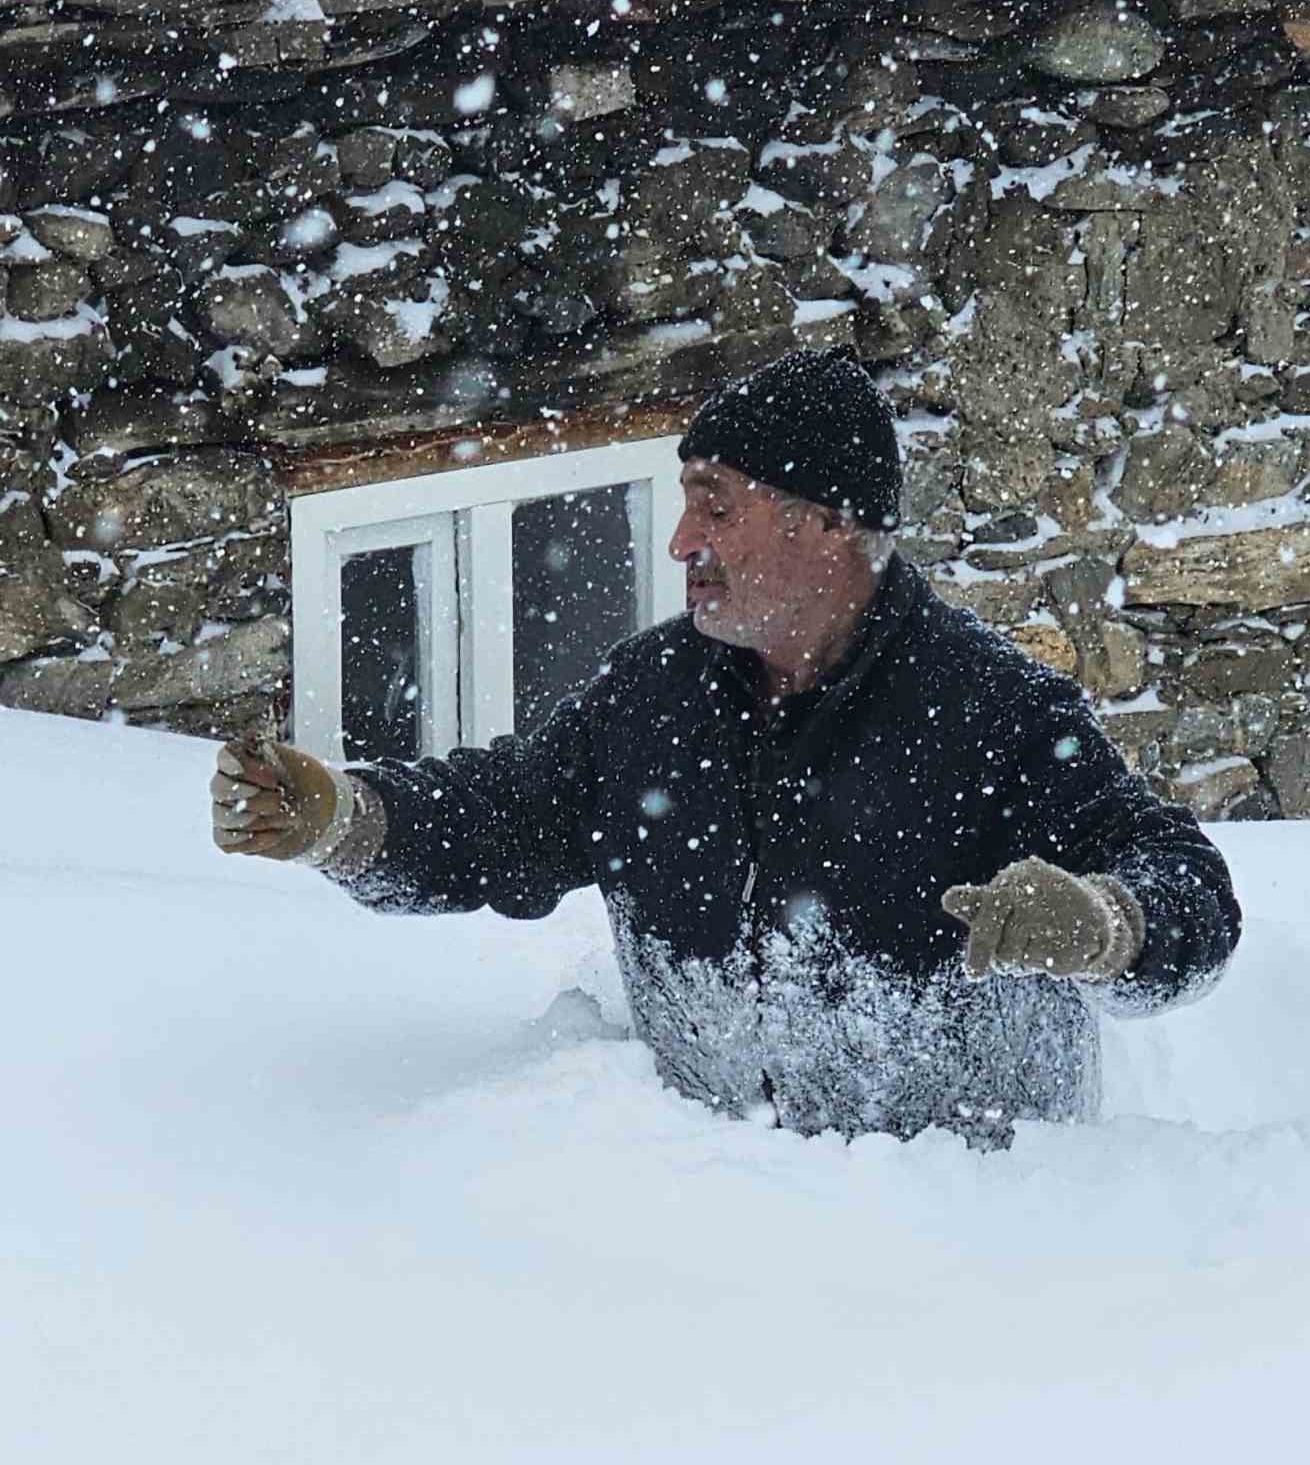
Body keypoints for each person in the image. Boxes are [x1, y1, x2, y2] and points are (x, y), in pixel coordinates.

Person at [213, 349, 1241, 1151]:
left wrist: (1106, 925)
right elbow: (505, 817)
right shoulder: (651, 698)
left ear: (829, 526)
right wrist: (342, 819)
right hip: (713, 1243)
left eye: (717, 502)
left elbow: (1186, 882)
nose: (679, 541)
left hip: (970, 1260)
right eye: (685, 499)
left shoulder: (988, 712)